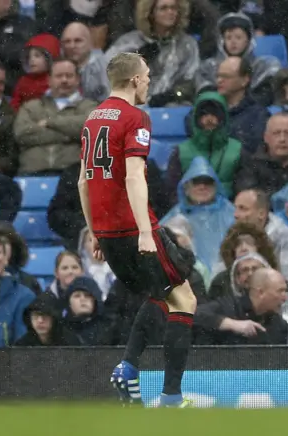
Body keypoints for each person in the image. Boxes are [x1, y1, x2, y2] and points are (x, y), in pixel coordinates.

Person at [77, 52, 197, 408]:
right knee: (185, 299)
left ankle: (129, 369)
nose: (149, 80)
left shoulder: (92, 119)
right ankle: (171, 396)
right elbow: (132, 175)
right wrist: (145, 231)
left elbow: (84, 182)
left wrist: (95, 231)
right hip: (134, 228)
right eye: (146, 75)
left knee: (160, 296)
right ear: (133, 81)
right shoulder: (135, 117)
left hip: (108, 233)